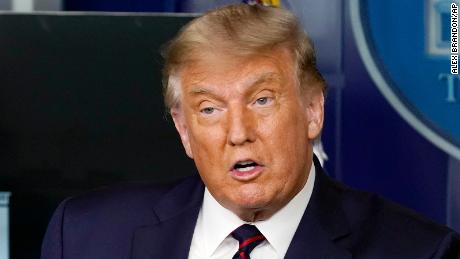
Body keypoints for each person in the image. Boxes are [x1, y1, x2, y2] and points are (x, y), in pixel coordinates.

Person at [42, 4, 460, 259]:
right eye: (209, 109)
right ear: (185, 131)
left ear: (313, 110)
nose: (238, 133)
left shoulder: (418, 251)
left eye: (262, 100)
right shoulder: (84, 236)